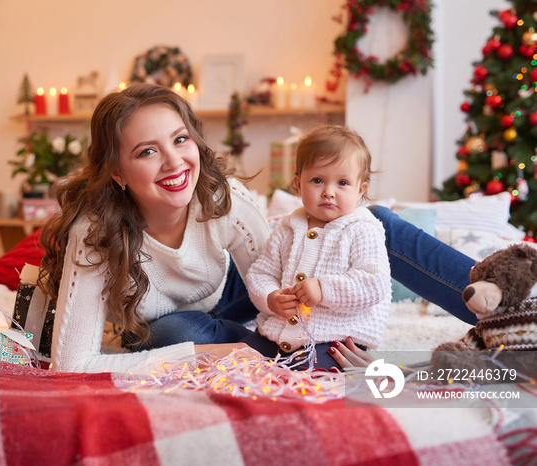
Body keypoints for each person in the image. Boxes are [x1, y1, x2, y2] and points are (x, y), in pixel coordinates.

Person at [39, 83, 270, 374]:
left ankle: (237, 337)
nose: (174, 162)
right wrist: (213, 353)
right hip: (159, 326)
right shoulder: (95, 232)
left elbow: (284, 300)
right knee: (178, 336)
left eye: (180, 139)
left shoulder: (223, 197)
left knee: (290, 289)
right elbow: (71, 364)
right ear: (117, 172)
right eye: (147, 151)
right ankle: (247, 344)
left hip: (225, 291)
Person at [244, 126, 391, 369]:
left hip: (335, 339)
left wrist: (324, 289)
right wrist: (271, 298)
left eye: (342, 182)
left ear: (360, 189)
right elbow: (261, 273)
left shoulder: (362, 228)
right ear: (298, 183)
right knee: (241, 359)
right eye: (317, 180)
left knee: (308, 371)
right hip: (276, 335)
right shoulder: (288, 228)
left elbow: (374, 283)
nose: (329, 192)